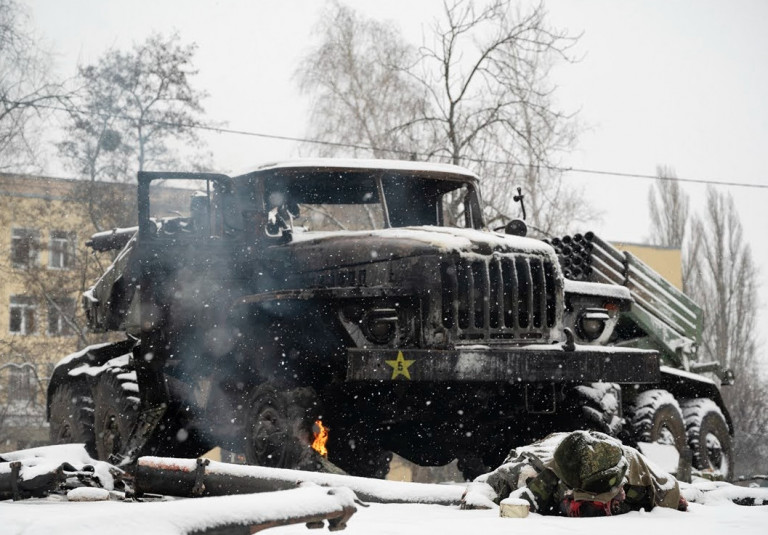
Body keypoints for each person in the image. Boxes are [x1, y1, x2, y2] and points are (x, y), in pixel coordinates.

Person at [476, 430, 688, 517]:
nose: (597, 510)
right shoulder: (532, 471)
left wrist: (676, 502)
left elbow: (671, 494)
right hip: (550, 446)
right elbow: (485, 487)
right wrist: (481, 500)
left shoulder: (638, 472)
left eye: (606, 503)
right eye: (581, 505)